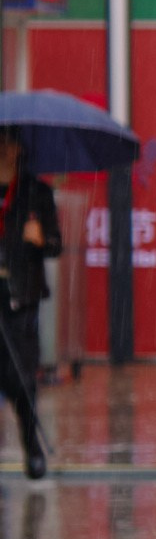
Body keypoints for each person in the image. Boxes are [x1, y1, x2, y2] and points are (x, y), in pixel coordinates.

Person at [0, 133, 59, 477]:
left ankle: (31, 446)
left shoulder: (37, 193)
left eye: (9, 143)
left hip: (22, 296)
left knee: (21, 377)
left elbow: (55, 246)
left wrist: (41, 239)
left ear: (20, 148)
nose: (4, 150)